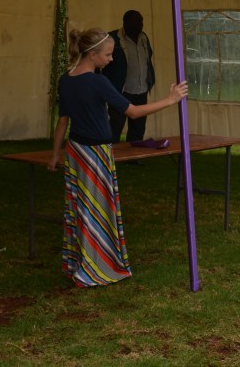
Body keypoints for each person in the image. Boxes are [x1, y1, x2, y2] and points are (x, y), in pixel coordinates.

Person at [47, 27, 187, 288]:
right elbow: (132, 112)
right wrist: (171, 100)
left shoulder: (66, 80)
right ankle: (93, 268)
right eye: (108, 55)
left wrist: (56, 155)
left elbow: (62, 122)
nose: (111, 60)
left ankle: (79, 263)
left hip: (75, 152)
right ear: (92, 55)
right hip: (95, 153)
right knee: (96, 210)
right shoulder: (98, 82)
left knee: (80, 209)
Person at [102, 10, 157, 144]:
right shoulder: (113, 38)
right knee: (116, 125)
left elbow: (148, 57)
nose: (138, 25)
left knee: (138, 127)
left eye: (140, 22)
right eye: (134, 22)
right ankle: (110, 154)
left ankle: (134, 157)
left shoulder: (144, 37)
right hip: (120, 91)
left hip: (141, 90)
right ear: (125, 23)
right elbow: (102, 62)